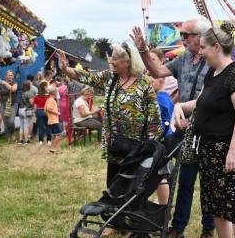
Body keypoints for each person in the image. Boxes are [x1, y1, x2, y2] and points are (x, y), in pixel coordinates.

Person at [174, 23, 235, 238]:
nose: (201, 52)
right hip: (207, 149)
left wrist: (232, 151)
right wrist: (180, 106)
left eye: (204, 47)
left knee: (234, 206)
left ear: (217, 47)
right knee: (215, 206)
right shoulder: (214, 73)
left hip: (227, 149)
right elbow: (202, 101)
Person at [132, 16, 216, 238]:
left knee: (209, 182)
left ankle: (208, 230)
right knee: (185, 179)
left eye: (185, 35)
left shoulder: (216, 60)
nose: (182, 39)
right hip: (185, 129)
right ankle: (178, 228)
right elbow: (157, 71)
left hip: (209, 130)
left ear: (200, 37)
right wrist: (142, 50)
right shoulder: (183, 59)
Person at [59, 41, 162, 188]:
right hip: (115, 144)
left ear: (127, 62)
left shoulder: (143, 83)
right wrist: (65, 69)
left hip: (137, 147)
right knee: (113, 185)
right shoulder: (109, 77)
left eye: (114, 59)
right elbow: (86, 77)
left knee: (132, 188)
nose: (110, 61)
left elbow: (154, 117)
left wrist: (152, 147)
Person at [150, 76, 173, 205]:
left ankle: (164, 205)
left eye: (152, 81)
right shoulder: (166, 97)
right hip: (166, 135)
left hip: (162, 137)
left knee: (160, 173)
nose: (150, 83)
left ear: (161, 82)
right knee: (163, 172)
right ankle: (163, 201)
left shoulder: (160, 98)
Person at [0, 70, 18, 143]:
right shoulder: (1, 84)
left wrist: (5, 83)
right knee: (5, 121)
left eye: (11, 75)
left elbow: (13, 89)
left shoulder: (14, 83)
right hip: (3, 104)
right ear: (6, 76)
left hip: (12, 104)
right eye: (9, 75)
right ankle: (8, 138)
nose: (10, 76)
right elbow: (0, 94)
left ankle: (12, 134)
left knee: (11, 121)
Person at [33, 81, 51, 147]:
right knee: (48, 126)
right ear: (44, 87)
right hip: (47, 111)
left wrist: (34, 113)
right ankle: (49, 141)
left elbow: (35, 106)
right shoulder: (48, 96)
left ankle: (41, 141)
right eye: (46, 86)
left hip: (39, 111)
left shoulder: (36, 96)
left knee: (40, 126)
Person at [45, 86, 61, 154]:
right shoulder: (51, 100)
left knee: (55, 135)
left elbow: (45, 110)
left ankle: (54, 148)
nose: (57, 93)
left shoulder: (48, 100)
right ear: (53, 93)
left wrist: (49, 116)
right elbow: (49, 109)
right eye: (56, 92)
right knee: (58, 135)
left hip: (51, 119)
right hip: (54, 120)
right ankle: (53, 148)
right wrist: (56, 112)